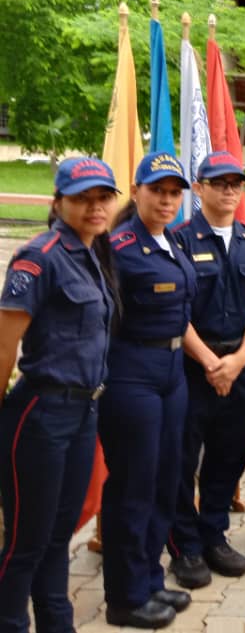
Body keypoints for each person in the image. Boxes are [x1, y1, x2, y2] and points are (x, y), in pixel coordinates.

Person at [100, 151, 224, 629]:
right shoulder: (119, 246)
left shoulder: (170, 241)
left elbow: (182, 312)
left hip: (172, 370)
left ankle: (150, 577)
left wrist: (203, 360)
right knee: (133, 483)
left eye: (175, 192)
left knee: (166, 477)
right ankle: (124, 596)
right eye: (158, 190)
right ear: (137, 192)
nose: (168, 200)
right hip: (132, 371)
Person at [0, 158, 119, 633]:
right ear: (59, 202)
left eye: (102, 197)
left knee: (58, 534)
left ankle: (56, 621)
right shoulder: (39, 256)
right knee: (27, 539)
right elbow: (5, 345)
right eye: (82, 198)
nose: (95, 207)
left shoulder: (91, 253)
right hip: (41, 413)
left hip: (83, 410)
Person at [167, 152, 245, 588]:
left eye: (236, 183)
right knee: (181, 458)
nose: (230, 190)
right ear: (199, 189)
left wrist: (240, 359)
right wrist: (212, 362)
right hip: (193, 367)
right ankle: (184, 545)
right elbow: (173, 308)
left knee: (229, 455)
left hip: (240, 365)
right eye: (219, 182)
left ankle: (213, 534)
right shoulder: (178, 241)